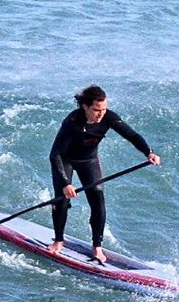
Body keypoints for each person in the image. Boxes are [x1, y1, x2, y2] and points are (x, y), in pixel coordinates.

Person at [48, 85, 160, 263]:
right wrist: (65, 184)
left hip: (89, 161)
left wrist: (149, 152)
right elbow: (55, 155)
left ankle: (97, 248)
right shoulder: (72, 122)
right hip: (66, 160)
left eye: (104, 109)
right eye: (96, 110)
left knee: (98, 199)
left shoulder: (109, 118)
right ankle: (59, 241)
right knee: (62, 199)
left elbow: (131, 135)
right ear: (85, 106)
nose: (101, 114)